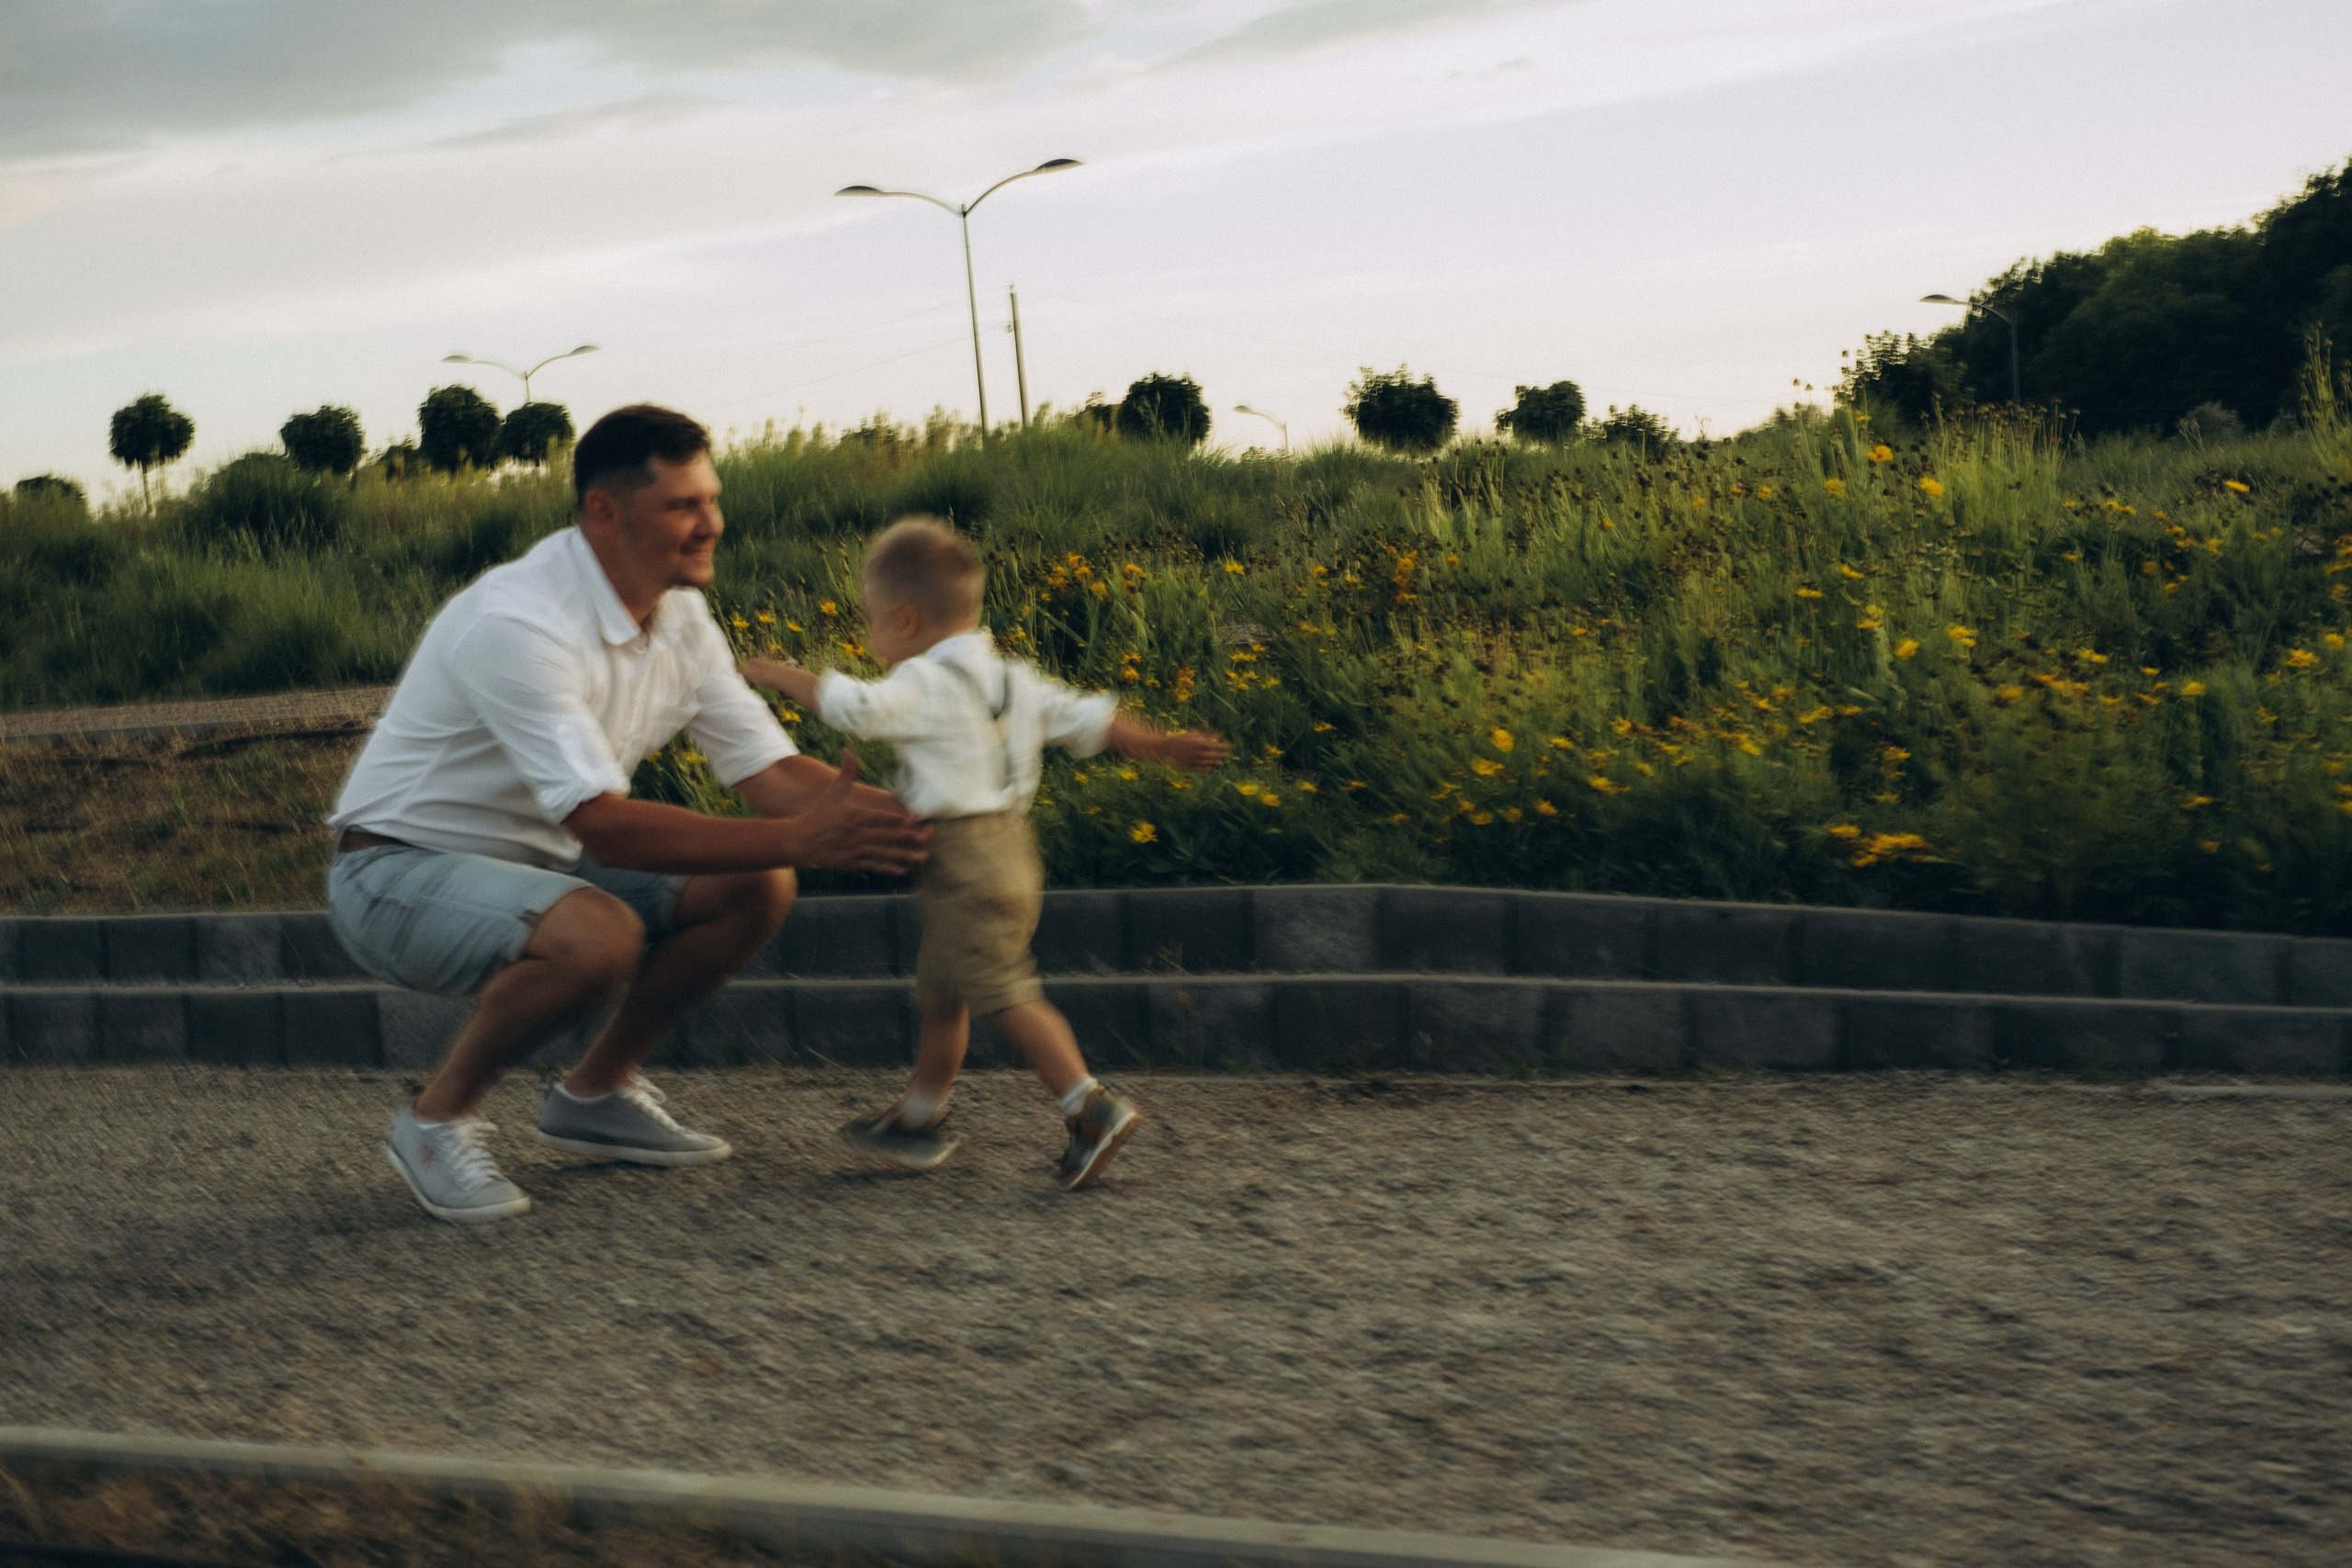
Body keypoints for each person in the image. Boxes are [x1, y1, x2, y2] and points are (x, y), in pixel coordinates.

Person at [328, 404, 927, 1225]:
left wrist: (932, 816)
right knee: (599, 931)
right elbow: (604, 825)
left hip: (535, 864)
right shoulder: (520, 623)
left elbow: (774, 771)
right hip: (393, 872)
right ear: (604, 512)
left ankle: (595, 1091)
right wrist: (801, 834)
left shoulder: (681, 619)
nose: (711, 523)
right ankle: (434, 1121)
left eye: (711, 499)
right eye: (683, 505)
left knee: (757, 881)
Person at [740, 516, 1227, 1190]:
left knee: (1004, 990)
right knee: (944, 987)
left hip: (963, 857)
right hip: (1010, 849)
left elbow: (857, 708)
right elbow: (1088, 718)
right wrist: (1157, 744)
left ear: (905, 618)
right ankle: (919, 1113)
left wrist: (775, 672)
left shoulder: (924, 681)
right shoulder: (1012, 679)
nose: (872, 637)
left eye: (873, 621)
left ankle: (1089, 1105)